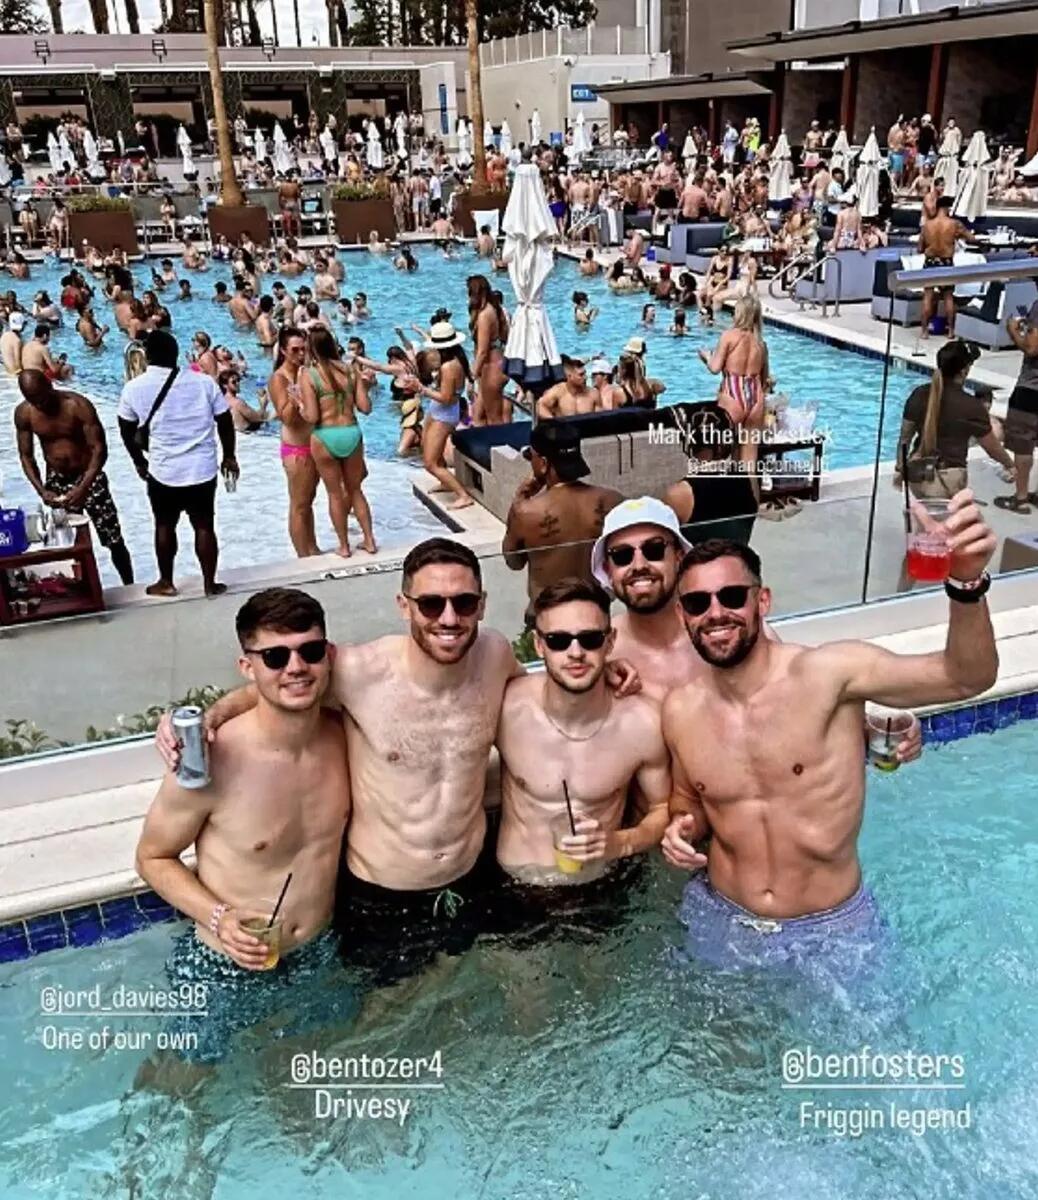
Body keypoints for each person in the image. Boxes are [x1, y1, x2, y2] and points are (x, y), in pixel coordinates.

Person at [661, 519, 996, 980]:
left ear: (763, 601)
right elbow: (687, 800)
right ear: (683, 616)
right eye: (698, 603)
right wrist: (681, 828)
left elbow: (966, 678)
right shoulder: (681, 710)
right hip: (722, 916)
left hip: (831, 929)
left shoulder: (829, 674)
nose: (716, 613)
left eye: (732, 596)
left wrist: (967, 584)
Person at [136, 588, 351, 1060]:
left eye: (310, 651)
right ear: (247, 667)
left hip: (316, 953)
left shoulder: (345, 736)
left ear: (329, 655)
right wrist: (219, 918)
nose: (296, 667)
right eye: (275, 656)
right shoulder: (211, 762)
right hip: (224, 961)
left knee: (301, 1081)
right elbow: (152, 857)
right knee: (180, 1084)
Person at [494, 578, 670, 906]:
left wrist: (620, 843)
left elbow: (662, 810)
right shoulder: (507, 708)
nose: (575, 653)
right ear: (539, 645)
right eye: (558, 641)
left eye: (590, 639)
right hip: (516, 888)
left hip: (601, 889)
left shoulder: (641, 724)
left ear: (610, 641)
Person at [117, 329, 237, 597]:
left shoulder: (134, 389)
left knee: (164, 525)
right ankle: (209, 584)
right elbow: (225, 421)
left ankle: (166, 582)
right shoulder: (204, 383)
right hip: (202, 470)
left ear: (148, 357)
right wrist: (229, 456)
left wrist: (139, 461)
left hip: (163, 471)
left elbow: (126, 430)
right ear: (176, 355)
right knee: (204, 526)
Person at [14, 369, 134, 585]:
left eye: (42, 398)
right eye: (33, 400)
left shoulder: (77, 406)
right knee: (68, 543)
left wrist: (84, 487)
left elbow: (99, 449)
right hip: (57, 480)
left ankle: (129, 584)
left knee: (113, 538)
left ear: (50, 386)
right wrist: (42, 490)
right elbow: (26, 456)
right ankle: (85, 588)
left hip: (90, 477)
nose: (39, 405)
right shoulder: (25, 413)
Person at [502, 421, 622, 621]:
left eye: (531, 456)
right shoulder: (613, 500)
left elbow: (513, 561)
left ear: (543, 463)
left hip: (547, 617)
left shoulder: (526, 511)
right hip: (596, 615)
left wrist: (518, 500)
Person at [896, 339, 1014, 506]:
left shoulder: (919, 394)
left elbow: (904, 439)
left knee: (925, 518)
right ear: (964, 371)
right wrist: (1010, 465)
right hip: (948, 479)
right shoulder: (971, 406)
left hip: (917, 475)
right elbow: (992, 448)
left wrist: (900, 468)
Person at [299, 325, 376, 557]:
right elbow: (365, 408)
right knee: (355, 490)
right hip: (351, 432)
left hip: (325, 435)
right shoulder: (351, 371)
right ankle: (369, 540)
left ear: (311, 348)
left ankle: (344, 546)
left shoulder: (309, 375)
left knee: (334, 494)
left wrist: (300, 405)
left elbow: (312, 417)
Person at [698, 295, 770, 497]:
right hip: (755, 395)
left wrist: (706, 357)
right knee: (749, 462)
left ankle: (720, 503)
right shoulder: (761, 343)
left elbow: (715, 368)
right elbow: (764, 378)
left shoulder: (729, 336)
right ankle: (751, 506)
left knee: (719, 456)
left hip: (733, 393)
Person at [408, 321, 474, 509]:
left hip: (444, 414)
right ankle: (446, 482)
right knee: (428, 448)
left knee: (430, 463)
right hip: (438, 410)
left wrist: (421, 389)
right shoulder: (457, 359)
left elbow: (446, 398)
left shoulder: (448, 367)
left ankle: (463, 495)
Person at [270, 326, 319, 558]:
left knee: (308, 502)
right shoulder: (279, 379)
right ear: (283, 351)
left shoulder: (307, 372)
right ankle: (303, 555)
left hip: (315, 444)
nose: (301, 354)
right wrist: (295, 395)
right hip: (296, 449)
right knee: (299, 504)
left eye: (304, 349)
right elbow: (287, 418)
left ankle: (312, 548)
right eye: (295, 350)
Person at [996, 299, 1038, 514]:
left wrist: (1013, 331)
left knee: (1023, 443)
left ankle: (1021, 499)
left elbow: (1032, 348)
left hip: (1031, 388)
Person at [918, 196, 976, 342]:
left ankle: (924, 331)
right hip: (946, 262)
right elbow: (971, 239)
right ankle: (950, 331)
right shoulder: (954, 224)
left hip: (930, 262)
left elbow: (919, 248)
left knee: (928, 296)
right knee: (948, 297)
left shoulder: (927, 225)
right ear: (947, 208)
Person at [468, 274, 508, 425]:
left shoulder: (484, 315)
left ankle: (500, 440)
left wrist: (472, 377)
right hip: (498, 363)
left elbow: (483, 351)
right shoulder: (494, 309)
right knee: (480, 415)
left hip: (491, 368)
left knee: (494, 418)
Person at [536, 355, 601, 419]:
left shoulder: (594, 394)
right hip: (563, 425)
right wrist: (553, 421)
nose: (585, 377)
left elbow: (600, 419)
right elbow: (539, 406)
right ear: (569, 376)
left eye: (585, 373)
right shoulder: (557, 391)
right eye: (581, 375)